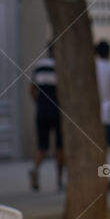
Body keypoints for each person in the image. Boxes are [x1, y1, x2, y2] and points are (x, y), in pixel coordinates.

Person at [29, 45, 64, 191]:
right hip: (58, 112)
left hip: (41, 111)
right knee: (60, 148)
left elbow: (31, 89)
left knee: (42, 147)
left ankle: (35, 169)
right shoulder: (61, 67)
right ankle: (59, 181)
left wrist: (39, 103)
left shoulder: (39, 66)